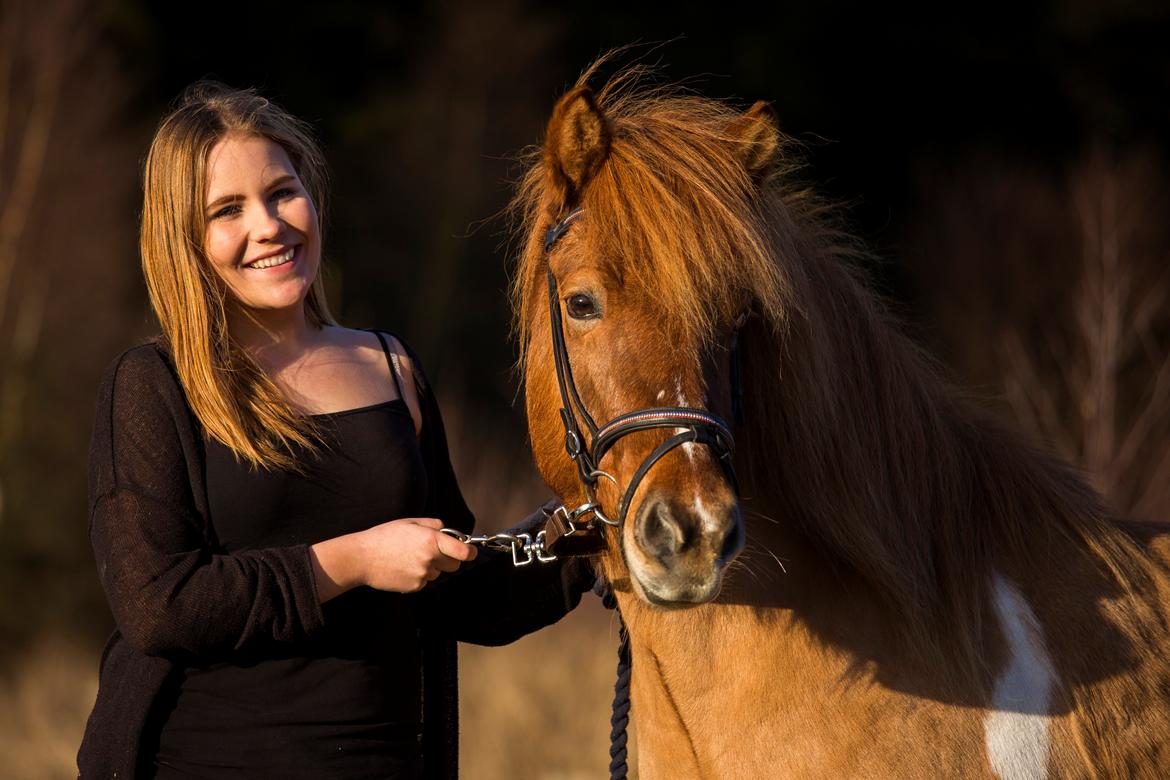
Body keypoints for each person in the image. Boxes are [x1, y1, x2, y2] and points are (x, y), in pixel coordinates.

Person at [77, 82, 592, 779]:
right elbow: (160, 606)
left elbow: (464, 591)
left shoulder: (389, 365)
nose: (268, 225)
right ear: (185, 240)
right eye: (227, 210)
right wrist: (351, 561)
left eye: (282, 192)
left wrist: (592, 531)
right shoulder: (154, 384)